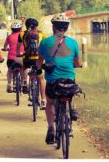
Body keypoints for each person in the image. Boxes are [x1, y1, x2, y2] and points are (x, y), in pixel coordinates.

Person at [36, 13, 82, 144]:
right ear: (66, 28)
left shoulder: (45, 42)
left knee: (50, 102)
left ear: (53, 27)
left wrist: (39, 68)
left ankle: (51, 128)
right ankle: (71, 109)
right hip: (68, 81)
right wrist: (77, 65)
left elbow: (39, 62)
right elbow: (77, 63)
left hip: (53, 82)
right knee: (72, 91)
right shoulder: (73, 43)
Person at [16, 17, 46, 110]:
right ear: (36, 26)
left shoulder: (22, 34)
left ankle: (24, 83)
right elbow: (44, 47)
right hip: (37, 60)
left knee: (23, 67)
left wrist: (19, 53)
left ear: (26, 26)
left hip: (27, 59)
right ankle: (43, 101)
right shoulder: (41, 34)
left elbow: (18, 48)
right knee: (40, 78)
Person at [2, 20, 24, 93]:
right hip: (21, 57)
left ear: (12, 29)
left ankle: (9, 84)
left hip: (11, 58)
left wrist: (5, 49)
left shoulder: (9, 37)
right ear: (21, 29)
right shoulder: (23, 36)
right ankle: (24, 83)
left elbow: (5, 47)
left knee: (10, 70)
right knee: (23, 69)